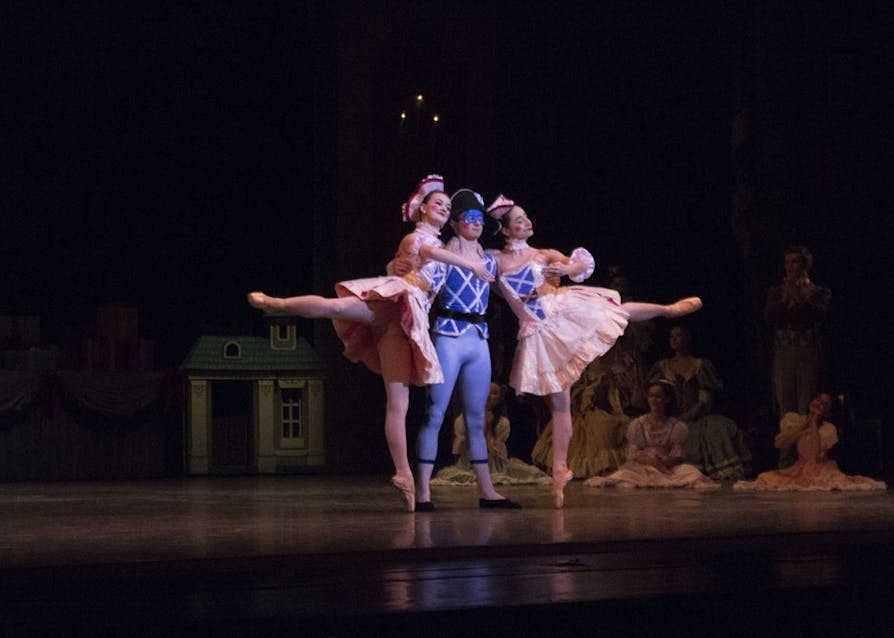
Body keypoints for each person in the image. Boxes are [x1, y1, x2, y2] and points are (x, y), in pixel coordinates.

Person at [247, 175, 494, 513]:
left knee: (398, 402)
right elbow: (426, 252)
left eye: (448, 206)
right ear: (423, 208)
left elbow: (422, 261)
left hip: (407, 321)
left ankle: (405, 476)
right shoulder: (418, 237)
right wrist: (470, 264)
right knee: (334, 306)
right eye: (438, 203)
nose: (444, 208)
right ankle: (278, 303)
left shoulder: (441, 245)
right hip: (394, 301)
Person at [485, 195, 703, 507]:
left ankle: (668, 310)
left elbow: (579, 266)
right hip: (536, 332)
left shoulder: (543, 254)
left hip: (562, 311)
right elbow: (479, 271)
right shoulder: (497, 259)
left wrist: (567, 265)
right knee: (559, 405)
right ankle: (560, 471)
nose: (527, 222)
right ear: (506, 231)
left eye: (527, 217)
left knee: (617, 309)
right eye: (519, 220)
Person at [407, 188, 520, 510]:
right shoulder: (441, 254)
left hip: (478, 339)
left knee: (477, 417)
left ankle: (487, 492)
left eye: (479, 219)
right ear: (455, 223)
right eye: (468, 218)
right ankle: (423, 492)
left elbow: (510, 291)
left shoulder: (488, 259)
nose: (475, 223)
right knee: (435, 413)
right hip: (448, 335)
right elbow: (423, 289)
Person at [648, 325, 752, 481]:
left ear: (688, 339)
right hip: (670, 417)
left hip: (695, 418)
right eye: (672, 337)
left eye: (678, 336)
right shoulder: (662, 366)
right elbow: (655, 395)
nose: (674, 340)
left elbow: (705, 400)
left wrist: (686, 417)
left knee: (714, 431)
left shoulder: (700, 365)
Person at [734, 393, 886, 491]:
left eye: (824, 404)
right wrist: (804, 424)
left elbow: (813, 455)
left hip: (821, 468)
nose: (819, 403)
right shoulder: (794, 419)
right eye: (817, 399)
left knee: (817, 483)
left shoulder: (829, 428)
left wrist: (813, 423)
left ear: (827, 412)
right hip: (799, 467)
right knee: (767, 477)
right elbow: (779, 443)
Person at [764, 245, 831, 467]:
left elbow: (814, 315)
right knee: (786, 405)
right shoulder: (776, 292)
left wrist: (797, 297)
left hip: (807, 352)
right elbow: (771, 316)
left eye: (795, 262)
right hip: (784, 353)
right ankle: (786, 460)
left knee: (806, 405)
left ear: (805, 265)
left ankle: (806, 459)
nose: (790, 267)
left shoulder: (818, 292)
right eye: (788, 263)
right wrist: (786, 298)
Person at [584, 381, 719, 489]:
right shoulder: (639, 424)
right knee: (624, 474)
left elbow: (679, 455)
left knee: (692, 472)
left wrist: (664, 462)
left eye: (658, 396)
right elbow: (634, 454)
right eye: (651, 396)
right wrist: (651, 462)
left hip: (668, 466)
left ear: (666, 399)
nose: (654, 400)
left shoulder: (676, 426)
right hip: (645, 465)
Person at [432, 382, 550, 487]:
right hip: (469, 465)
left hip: (493, 466)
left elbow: (493, 451)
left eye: (494, 394)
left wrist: (488, 428)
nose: (488, 397)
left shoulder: (502, 423)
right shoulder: (463, 420)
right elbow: (459, 450)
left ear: (499, 399)